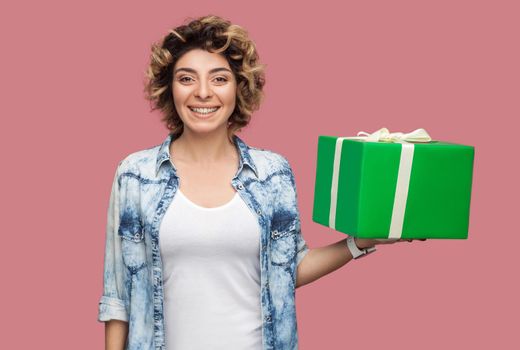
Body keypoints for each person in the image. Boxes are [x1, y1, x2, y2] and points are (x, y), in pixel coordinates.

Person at [97, 14, 424, 350]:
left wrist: (360, 241)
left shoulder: (272, 173)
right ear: (171, 88)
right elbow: (117, 297)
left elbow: (287, 270)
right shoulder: (135, 174)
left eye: (219, 78)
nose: (203, 93)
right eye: (187, 78)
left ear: (239, 88)